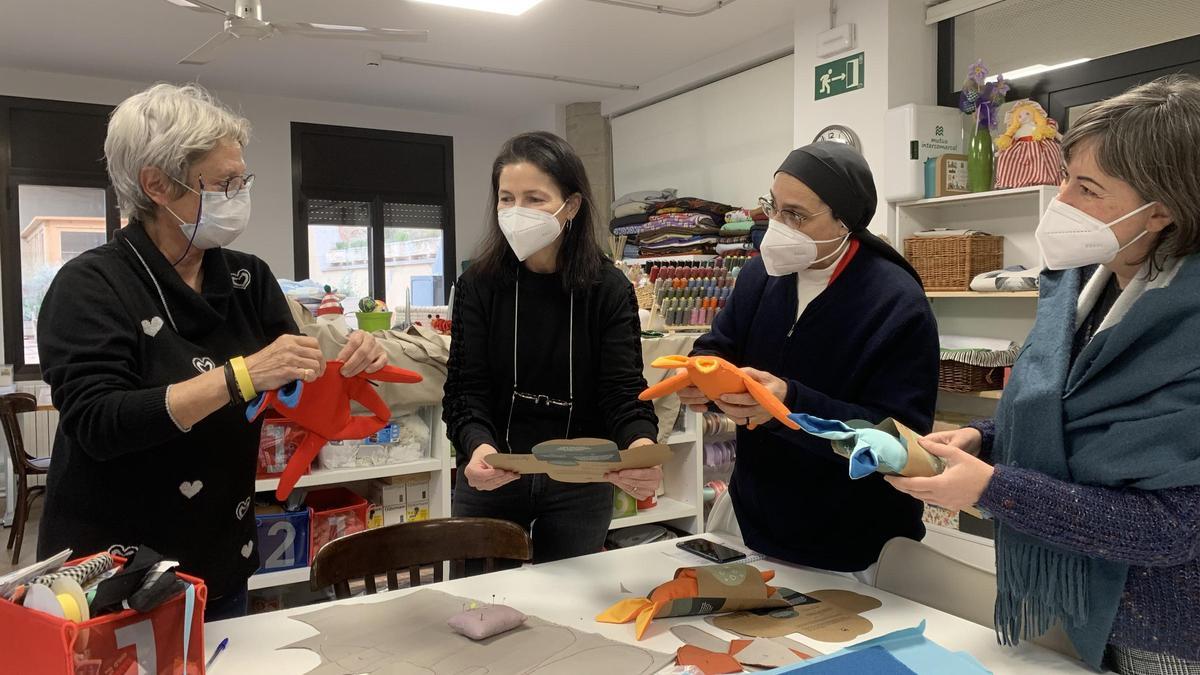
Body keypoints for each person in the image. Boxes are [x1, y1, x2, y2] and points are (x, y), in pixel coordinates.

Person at [886, 75, 1200, 673]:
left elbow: (1170, 529)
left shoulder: (1186, 329)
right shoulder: (1080, 285)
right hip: (1073, 598)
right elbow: (1061, 413)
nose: (1060, 202)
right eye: (1065, 177)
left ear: (1159, 211)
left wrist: (989, 489)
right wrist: (984, 437)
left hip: (1166, 631)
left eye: (1086, 188)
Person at [36, 83, 386, 621]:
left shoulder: (247, 277)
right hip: (112, 576)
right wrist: (239, 376)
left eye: (240, 180)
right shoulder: (91, 285)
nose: (238, 194)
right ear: (156, 184)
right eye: (222, 183)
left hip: (221, 558)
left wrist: (348, 364)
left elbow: (294, 383)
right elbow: (98, 421)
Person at [681, 142, 940, 580]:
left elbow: (896, 444)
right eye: (774, 208)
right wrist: (702, 373)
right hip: (756, 521)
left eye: (796, 215)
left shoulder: (897, 304)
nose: (778, 226)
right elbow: (718, 344)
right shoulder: (761, 276)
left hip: (852, 543)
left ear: (846, 220)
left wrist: (789, 405)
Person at [443, 131, 661, 564]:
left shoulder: (608, 290)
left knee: (571, 613)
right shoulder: (478, 287)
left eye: (535, 199)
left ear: (572, 206)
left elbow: (623, 393)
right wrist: (479, 448)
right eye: (507, 198)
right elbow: (466, 392)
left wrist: (641, 451)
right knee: (482, 610)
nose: (516, 212)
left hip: (580, 484)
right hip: (494, 476)